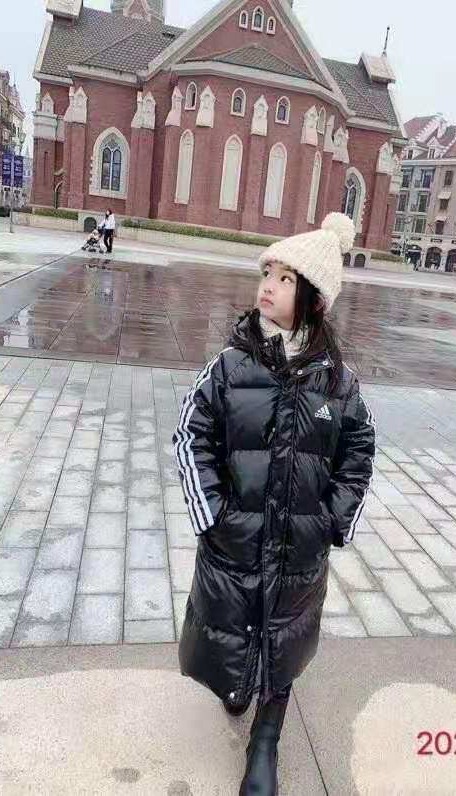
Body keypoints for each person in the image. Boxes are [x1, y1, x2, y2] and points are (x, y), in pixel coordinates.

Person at [173, 213, 376, 796]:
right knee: (232, 625)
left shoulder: (337, 381)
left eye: (286, 279)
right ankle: (237, 685)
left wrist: (334, 519)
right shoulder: (230, 365)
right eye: (268, 272)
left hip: (299, 549)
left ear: (314, 299)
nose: (269, 286)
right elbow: (190, 434)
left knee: (285, 636)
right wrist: (211, 513)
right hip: (236, 537)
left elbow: (360, 447)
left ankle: (266, 739)